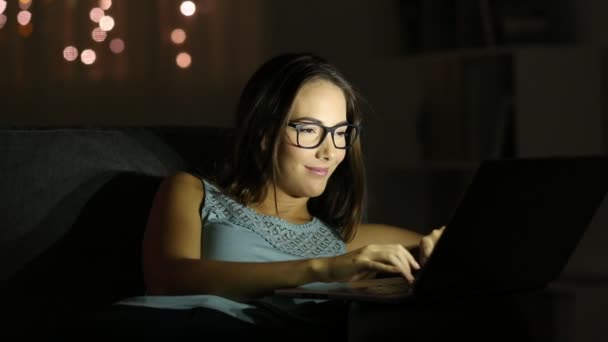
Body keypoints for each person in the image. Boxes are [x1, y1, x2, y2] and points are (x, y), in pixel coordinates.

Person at [94, 52, 445, 340]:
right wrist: (323, 268)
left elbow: (451, 245)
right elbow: (169, 280)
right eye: (309, 130)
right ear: (264, 133)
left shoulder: (343, 239)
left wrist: (438, 247)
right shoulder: (193, 191)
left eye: (341, 133)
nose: (330, 151)